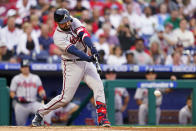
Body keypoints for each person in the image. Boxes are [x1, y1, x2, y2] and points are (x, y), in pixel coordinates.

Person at [32, 8, 110, 127]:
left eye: (68, 20)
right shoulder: (57, 37)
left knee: (99, 86)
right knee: (65, 98)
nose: (68, 23)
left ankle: (102, 119)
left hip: (86, 62)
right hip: (71, 64)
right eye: (64, 22)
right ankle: (41, 112)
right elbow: (73, 50)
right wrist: (87, 57)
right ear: (58, 23)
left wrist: (92, 48)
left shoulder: (74, 21)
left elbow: (84, 35)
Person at [10, 59, 51, 125]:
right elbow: (12, 93)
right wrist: (17, 98)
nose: (25, 68)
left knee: (45, 109)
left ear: (29, 68)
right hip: (20, 104)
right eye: (23, 67)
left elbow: (40, 89)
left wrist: (43, 95)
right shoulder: (16, 78)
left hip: (33, 103)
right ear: (21, 68)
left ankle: (47, 125)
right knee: (20, 125)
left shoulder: (35, 77)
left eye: (27, 67)